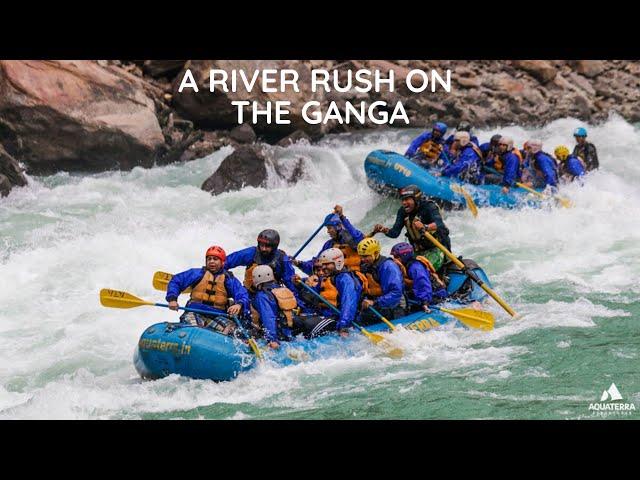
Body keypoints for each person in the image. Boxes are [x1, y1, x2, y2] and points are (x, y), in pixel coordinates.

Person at [166, 246, 250, 333]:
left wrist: (239, 304)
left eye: (215, 259)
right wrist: (172, 299)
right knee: (193, 329)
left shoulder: (229, 279)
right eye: (209, 259)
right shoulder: (196, 273)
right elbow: (176, 281)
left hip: (216, 315)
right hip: (194, 312)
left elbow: (242, 294)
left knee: (233, 331)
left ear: (222, 262)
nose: (211, 261)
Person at [372, 184, 451, 272]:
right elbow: (394, 233)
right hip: (417, 251)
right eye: (403, 200)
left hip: (436, 249)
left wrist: (425, 227)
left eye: (407, 199)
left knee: (421, 270)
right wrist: (383, 230)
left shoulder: (429, 207)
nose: (404, 203)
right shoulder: (402, 212)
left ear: (416, 199)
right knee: (402, 269)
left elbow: (439, 224)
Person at [297, 248, 362, 338]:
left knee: (309, 325)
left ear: (338, 263)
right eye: (323, 264)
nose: (323, 267)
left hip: (339, 318)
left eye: (327, 264)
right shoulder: (331, 276)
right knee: (297, 322)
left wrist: (343, 326)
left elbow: (349, 304)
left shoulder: (346, 280)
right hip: (327, 314)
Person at [294, 205, 365, 274]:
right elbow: (317, 263)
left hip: (353, 275)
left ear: (338, 226)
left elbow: (358, 239)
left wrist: (341, 217)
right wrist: (299, 263)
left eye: (329, 228)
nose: (328, 231)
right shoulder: (329, 245)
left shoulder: (351, 239)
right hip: (335, 277)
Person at [225, 229, 297, 294]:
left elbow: (290, 283)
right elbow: (226, 262)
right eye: (261, 245)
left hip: (272, 296)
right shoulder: (251, 253)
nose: (263, 249)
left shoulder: (282, 259)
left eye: (267, 246)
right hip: (249, 294)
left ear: (274, 247)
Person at [356, 238, 405, 325]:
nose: (362, 259)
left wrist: (375, 302)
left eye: (365, 256)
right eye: (361, 256)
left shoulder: (388, 267)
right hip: (379, 304)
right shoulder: (367, 266)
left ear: (375, 253)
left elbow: (396, 292)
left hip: (395, 306)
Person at [250, 265, 299, 349]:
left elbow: (268, 317)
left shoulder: (262, 296)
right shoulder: (283, 289)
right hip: (291, 332)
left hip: (278, 335)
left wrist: (272, 339)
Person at [390, 242, 448, 312]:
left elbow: (423, 283)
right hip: (421, 294)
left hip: (435, 295)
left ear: (404, 257)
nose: (394, 259)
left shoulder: (415, 268)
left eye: (396, 257)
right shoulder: (404, 266)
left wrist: (425, 302)